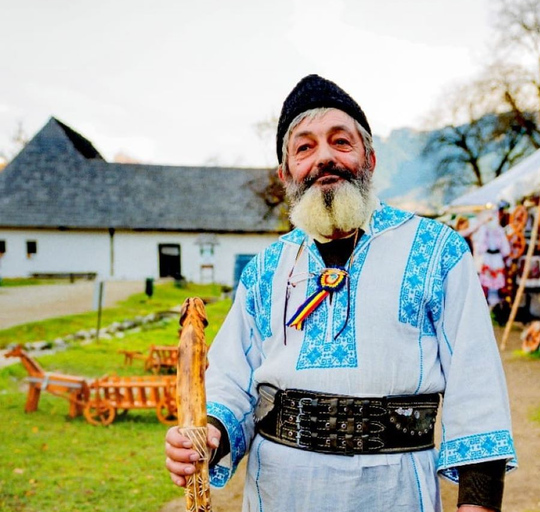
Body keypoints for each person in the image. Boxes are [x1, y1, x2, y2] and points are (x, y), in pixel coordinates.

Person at [165, 74, 517, 511]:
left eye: (340, 142)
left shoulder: (437, 252)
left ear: (369, 159)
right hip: (280, 494)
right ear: (286, 173)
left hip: (395, 494)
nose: (324, 158)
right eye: (304, 147)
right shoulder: (265, 270)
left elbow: (476, 386)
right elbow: (231, 381)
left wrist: (478, 504)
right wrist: (209, 433)